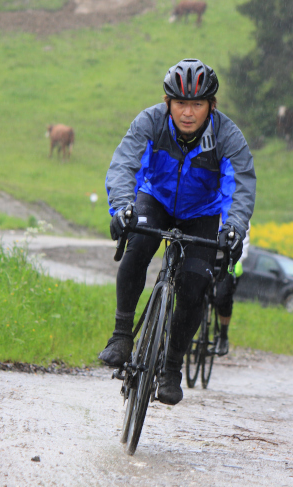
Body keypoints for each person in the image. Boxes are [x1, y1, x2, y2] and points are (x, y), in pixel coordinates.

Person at [99, 59, 256, 406]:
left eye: (197, 104)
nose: (188, 112)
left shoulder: (227, 136)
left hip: (202, 213)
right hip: (155, 199)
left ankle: (171, 366)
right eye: (181, 103)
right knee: (137, 246)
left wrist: (233, 228)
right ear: (167, 102)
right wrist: (123, 207)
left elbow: (240, 184)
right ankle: (122, 335)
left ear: (211, 106)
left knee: (195, 284)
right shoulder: (150, 122)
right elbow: (126, 162)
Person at [213, 221, 250, 356]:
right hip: (208, 253)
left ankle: (223, 335)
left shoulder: (234, 207)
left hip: (229, 257)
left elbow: (244, 238)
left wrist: (239, 260)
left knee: (223, 298)